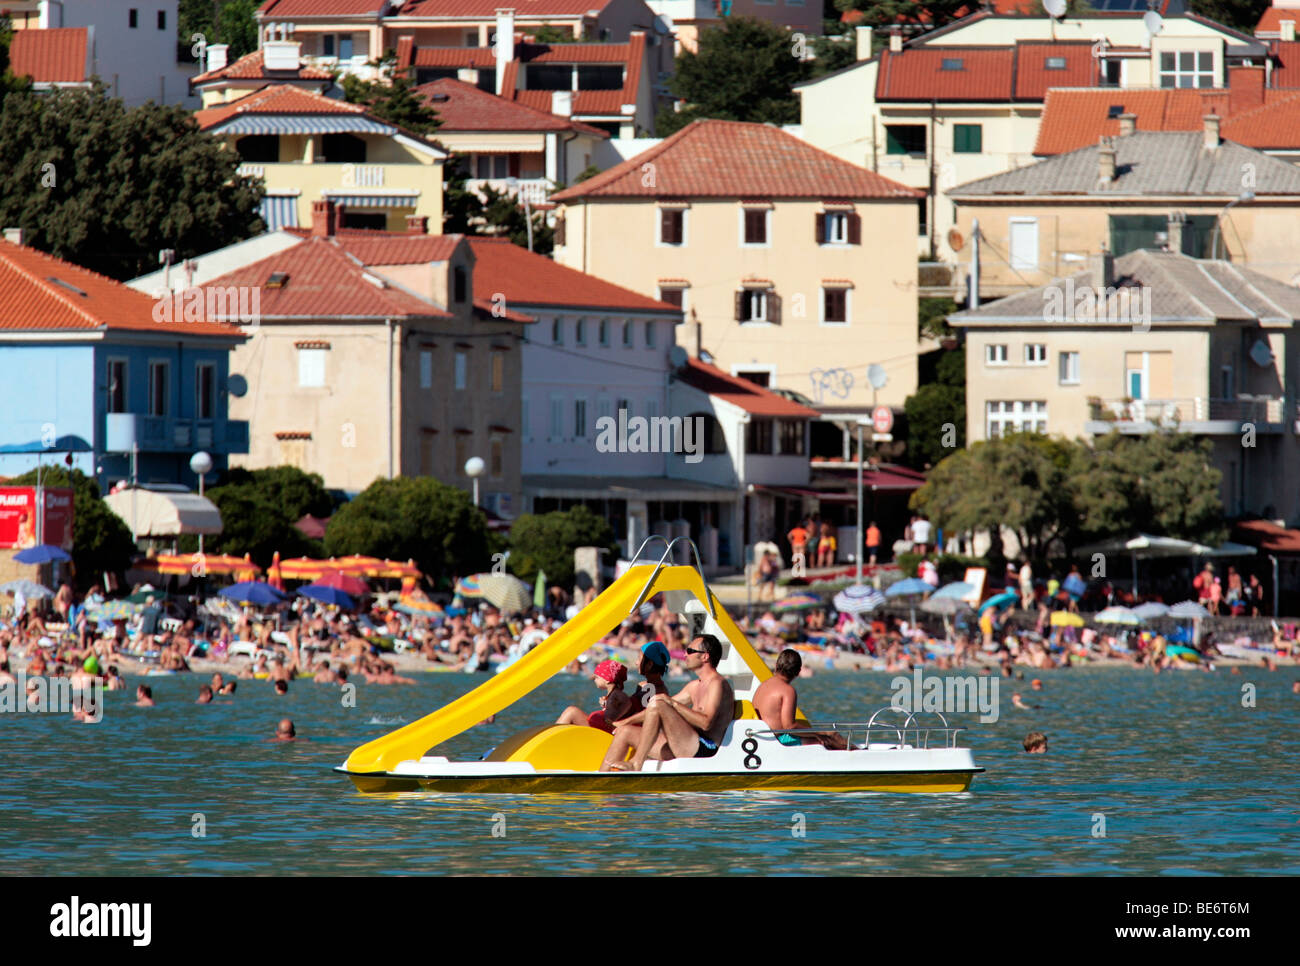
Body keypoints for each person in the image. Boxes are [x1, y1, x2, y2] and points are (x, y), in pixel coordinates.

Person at [603, 634, 735, 771]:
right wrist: (624, 722)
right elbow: (655, 707)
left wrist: (671, 703)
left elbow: (706, 723)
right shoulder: (694, 686)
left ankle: (637, 763)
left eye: (690, 651)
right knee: (625, 731)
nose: (684, 654)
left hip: (706, 749)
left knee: (660, 702)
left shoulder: (717, 684)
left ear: (705, 657)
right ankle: (600, 779)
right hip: (685, 743)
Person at [556, 659, 631, 730]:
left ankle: (552, 737)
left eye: (597, 677)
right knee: (572, 711)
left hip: (605, 732)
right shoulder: (614, 694)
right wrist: (606, 704)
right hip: (601, 728)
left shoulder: (618, 695)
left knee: (572, 711)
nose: (594, 680)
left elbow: (626, 703)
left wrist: (608, 704)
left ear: (607, 680)